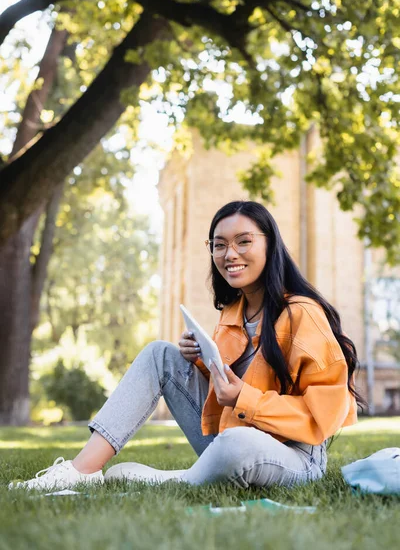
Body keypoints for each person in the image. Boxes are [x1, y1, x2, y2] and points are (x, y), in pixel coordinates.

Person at [9, 200, 364, 491]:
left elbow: (326, 416)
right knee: (159, 354)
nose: (229, 254)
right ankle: (80, 471)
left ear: (269, 244)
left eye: (243, 241)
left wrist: (245, 399)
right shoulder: (232, 312)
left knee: (236, 444)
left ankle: (175, 481)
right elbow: (231, 385)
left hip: (295, 456)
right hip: (232, 434)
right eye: (219, 244)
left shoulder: (302, 313)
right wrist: (199, 361)